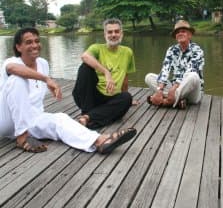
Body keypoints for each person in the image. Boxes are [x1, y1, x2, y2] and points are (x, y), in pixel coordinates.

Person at [0, 28, 137, 154]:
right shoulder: (11, 62)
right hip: (6, 120)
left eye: (37, 41)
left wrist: (47, 83)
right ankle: (22, 138)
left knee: (61, 119)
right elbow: (14, 69)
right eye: (28, 42)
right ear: (18, 47)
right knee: (16, 80)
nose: (35, 45)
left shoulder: (43, 63)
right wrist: (46, 79)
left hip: (33, 117)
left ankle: (100, 141)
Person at [72, 18, 135, 129]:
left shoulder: (127, 52)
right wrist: (106, 72)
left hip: (110, 99)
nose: (113, 35)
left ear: (122, 33)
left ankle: (87, 118)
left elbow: (125, 76)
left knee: (127, 97)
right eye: (110, 32)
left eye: (116, 31)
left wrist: (127, 99)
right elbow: (84, 56)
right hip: (89, 97)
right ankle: (88, 113)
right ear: (105, 34)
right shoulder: (97, 48)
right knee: (85, 67)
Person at [145, 20, 204, 109]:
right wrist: (160, 89)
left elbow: (190, 70)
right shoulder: (171, 50)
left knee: (193, 76)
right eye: (177, 32)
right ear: (175, 36)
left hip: (192, 92)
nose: (180, 34)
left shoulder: (197, 50)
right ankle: (178, 101)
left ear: (189, 35)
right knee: (149, 77)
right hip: (175, 89)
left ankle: (165, 102)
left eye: (183, 31)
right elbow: (165, 70)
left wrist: (174, 88)